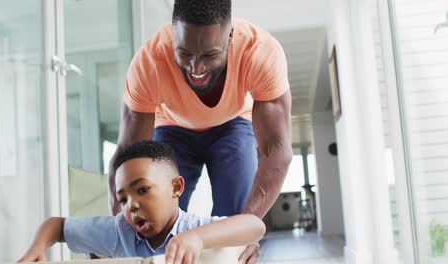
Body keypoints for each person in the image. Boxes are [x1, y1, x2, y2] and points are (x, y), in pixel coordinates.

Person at [109, 0, 292, 261]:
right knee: (155, 218)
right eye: (184, 53)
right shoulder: (149, 62)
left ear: (230, 37)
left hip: (233, 124)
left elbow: (277, 151)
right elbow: (126, 159)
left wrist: (243, 232)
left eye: (208, 55)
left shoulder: (259, 52)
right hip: (172, 128)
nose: (196, 68)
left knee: (232, 225)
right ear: (173, 36)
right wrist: (119, 239)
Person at [17, 141, 265, 263]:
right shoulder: (117, 232)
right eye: (122, 199)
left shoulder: (195, 229)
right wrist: (36, 249)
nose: (131, 206)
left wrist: (199, 239)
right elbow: (57, 226)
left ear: (176, 187)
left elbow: (254, 226)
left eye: (143, 189)